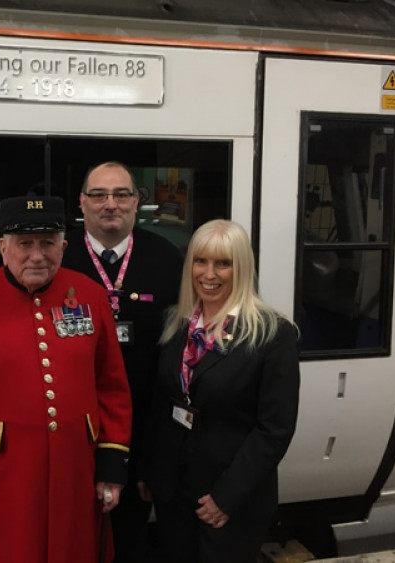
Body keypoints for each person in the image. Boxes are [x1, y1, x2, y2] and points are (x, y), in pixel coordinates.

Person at [0, 195, 132, 563]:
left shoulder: (89, 296)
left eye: (47, 243)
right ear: (3, 247)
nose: (37, 255)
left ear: (64, 246)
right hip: (0, 480)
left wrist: (112, 467)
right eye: (25, 244)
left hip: (76, 475)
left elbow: (111, 387)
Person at [137, 219, 300, 562]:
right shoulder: (177, 323)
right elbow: (162, 403)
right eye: (201, 261)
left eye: (222, 263)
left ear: (241, 268)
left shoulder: (272, 334)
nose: (209, 273)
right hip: (174, 489)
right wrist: (152, 471)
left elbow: (274, 429)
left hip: (229, 496)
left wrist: (226, 497)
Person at [62, 161, 184, 562]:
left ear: (136, 202)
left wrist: (154, 459)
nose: (109, 204)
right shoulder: (57, 258)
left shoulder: (167, 259)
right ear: (82, 203)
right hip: (70, 436)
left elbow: (177, 363)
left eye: (120, 194)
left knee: (129, 542)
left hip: (141, 435)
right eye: (98, 194)